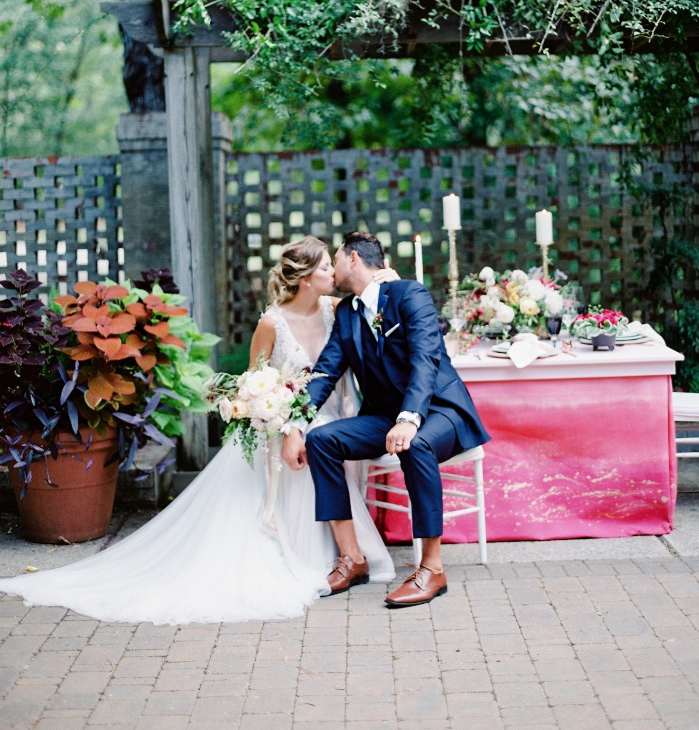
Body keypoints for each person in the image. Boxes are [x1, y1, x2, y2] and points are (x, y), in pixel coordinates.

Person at [0, 237, 395, 624]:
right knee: (310, 444)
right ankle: (313, 554)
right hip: (283, 424)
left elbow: (374, 300)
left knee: (322, 438)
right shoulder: (271, 323)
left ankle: (344, 553)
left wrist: (386, 278)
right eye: (326, 266)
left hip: (330, 418)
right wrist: (274, 410)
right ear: (306, 278)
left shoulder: (338, 309)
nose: (334, 272)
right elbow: (255, 381)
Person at [282, 231, 491, 608]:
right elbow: (326, 373)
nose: (332, 268)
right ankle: (352, 559)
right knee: (321, 440)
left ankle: (432, 567)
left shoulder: (409, 294)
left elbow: (426, 358)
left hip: (440, 410)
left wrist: (410, 419)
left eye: (336, 258)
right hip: (384, 417)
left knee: (418, 442)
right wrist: (294, 425)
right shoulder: (346, 312)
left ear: (354, 260)